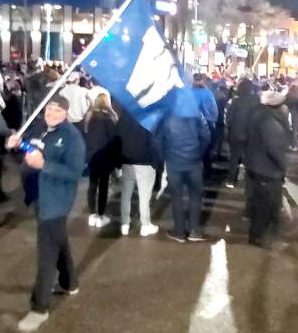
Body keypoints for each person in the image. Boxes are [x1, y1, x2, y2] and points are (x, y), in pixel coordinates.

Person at [6, 93, 85, 332]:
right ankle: (70, 282)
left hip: (56, 201)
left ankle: (39, 308)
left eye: (58, 111)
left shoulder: (72, 138)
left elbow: (74, 172)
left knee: (46, 255)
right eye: (49, 109)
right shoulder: (40, 128)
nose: (52, 114)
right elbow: (31, 149)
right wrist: (17, 145)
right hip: (38, 195)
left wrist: (45, 166)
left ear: (66, 113)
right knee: (58, 238)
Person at [245, 88, 292, 250]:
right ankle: (258, 236)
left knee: (265, 204)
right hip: (267, 170)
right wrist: (283, 167)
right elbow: (274, 149)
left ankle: (264, 235)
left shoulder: (260, 114)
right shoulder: (271, 122)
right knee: (266, 205)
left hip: (258, 166)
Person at [158, 98, 210, 243]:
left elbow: (157, 140)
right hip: (194, 161)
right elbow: (206, 136)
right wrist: (199, 153)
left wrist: (164, 156)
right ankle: (194, 230)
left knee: (177, 197)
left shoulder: (166, 117)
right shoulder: (197, 115)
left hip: (174, 163)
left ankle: (179, 232)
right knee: (195, 196)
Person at [116, 106, 159, 237]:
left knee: (125, 195)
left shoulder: (122, 120)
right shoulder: (148, 121)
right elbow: (153, 144)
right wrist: (155, 163)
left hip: (126, 162)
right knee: (144, 197)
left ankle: (125, 224)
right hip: (145, 163)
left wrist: (117, 164)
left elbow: (116, 142)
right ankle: (145, 225)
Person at [84, 93, 120, 228]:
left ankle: (92, 214)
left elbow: (86, 135)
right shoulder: (109, 119)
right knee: (103, 186)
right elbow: (113, 140)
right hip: (104, 156)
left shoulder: (89, 117)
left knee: (92, 185)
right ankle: (100, 215)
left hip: (92, 156)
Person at [224, 78, 257, 188]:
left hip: (235, 133)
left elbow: (228, 119)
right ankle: (248, 181)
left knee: (234, 157)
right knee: (250, 157)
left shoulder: (234, 101)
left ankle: (231, 180)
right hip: (251, 134)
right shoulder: (256, 101)